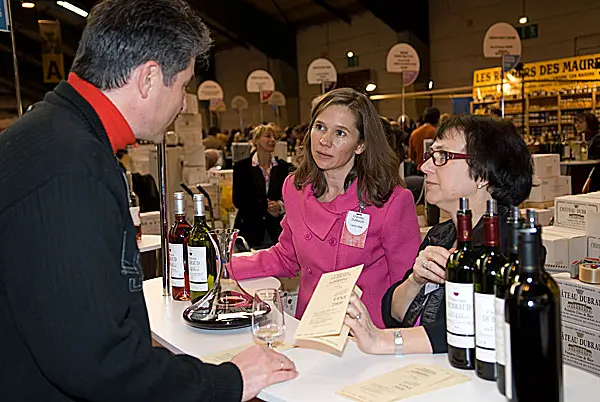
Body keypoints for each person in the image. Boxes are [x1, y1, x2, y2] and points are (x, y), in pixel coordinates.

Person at [0, 1, 297, 401]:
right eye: (184, 85)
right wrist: (227, 381)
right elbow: (95, 361)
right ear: (149, 78)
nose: (183, 103)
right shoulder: (72, 168)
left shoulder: (52, 135)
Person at [343, 115, 533, 355]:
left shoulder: (510, 246)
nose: (425, 167)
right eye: (431, 155)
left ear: (483, 174)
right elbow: (393, 311)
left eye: (442, 157)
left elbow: (478, 328)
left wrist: (382, 341)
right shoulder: (441, 235)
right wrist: (415, 281)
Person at [232, 88, 421, 328]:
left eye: (340, 133)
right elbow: (286, 257)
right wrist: (224, 265)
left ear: (360, 145)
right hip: (310, 330)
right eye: (320, 127)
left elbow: (410, 287)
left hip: (367, 339)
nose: (324, 141)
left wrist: (410, 350)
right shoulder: (295, 189)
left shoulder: (390, 201)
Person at [233, 124, 292, 248]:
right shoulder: (242, 168)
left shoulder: (283, 168)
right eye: (267, 136)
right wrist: (266, 206)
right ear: (256, 140)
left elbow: (290, 196)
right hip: (249, 231)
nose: (272, 140)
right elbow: (238, 200)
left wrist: (280, 206)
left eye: (274, 137)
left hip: (276, 232)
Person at [408, 107, 440, 171]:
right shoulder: (437, 133)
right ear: (437, 119)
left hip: (419, 169)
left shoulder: (414, 133)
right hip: (435, 168)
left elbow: (411, 156)